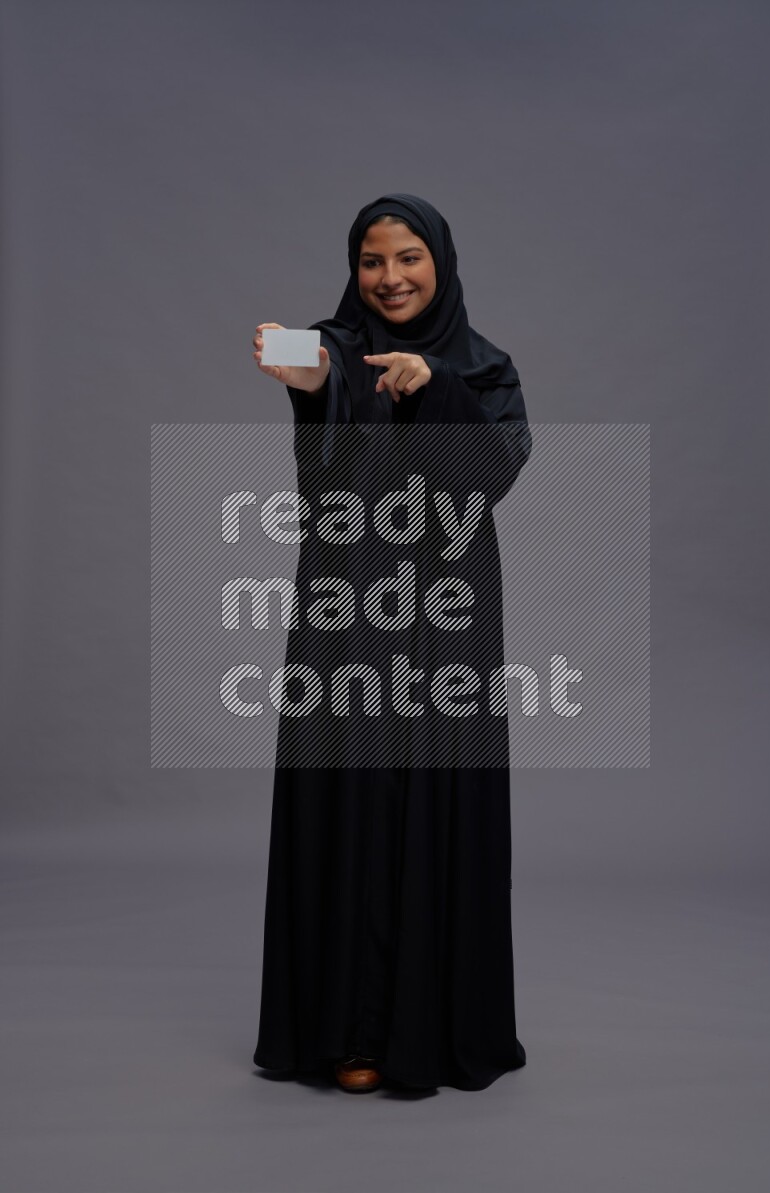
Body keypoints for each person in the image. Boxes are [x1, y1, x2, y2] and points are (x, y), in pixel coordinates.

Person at [250, 193, 531, 1093]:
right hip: (348, 603)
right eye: (373, 261)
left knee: (437, 788)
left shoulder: (484, 370)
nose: (390, 278)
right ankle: (350, 1031)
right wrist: (312, 382)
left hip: (446, 614)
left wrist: (434, 387)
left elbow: (492, 473)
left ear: (440, 262)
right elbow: (325, 428)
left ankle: (436, 1027)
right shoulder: (335, 347)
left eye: (408, 257)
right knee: (351, 787)